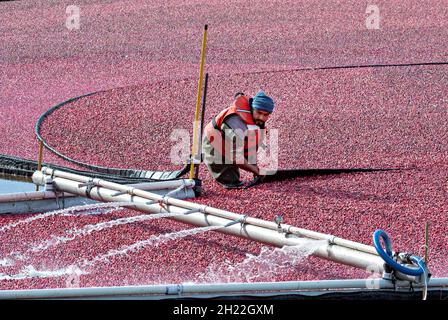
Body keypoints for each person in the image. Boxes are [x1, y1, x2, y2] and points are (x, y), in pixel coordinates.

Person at [202, 90, 275, 189]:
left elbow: (251, 146)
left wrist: (254, 167)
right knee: (230, 180)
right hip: (215, 143)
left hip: (233, 142)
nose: (261, 117)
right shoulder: (237, 124)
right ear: (252, 109)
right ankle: (205, 155)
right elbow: (238, 158)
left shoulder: (256, 122)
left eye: (265, 115)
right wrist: (256, 171)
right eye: (259, 113)